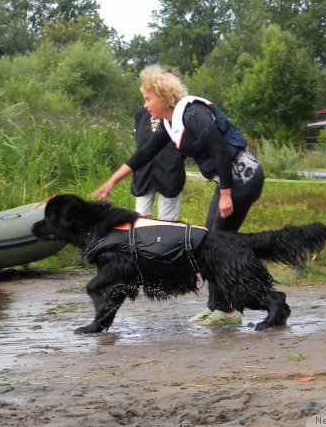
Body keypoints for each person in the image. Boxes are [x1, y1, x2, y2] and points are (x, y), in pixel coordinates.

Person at [92, 64, 265, 326]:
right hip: (227, 182)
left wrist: (227, 194)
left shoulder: (193, 113)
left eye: (148, 98)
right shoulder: (168, 123)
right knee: (208, 242)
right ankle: (215, 307)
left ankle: (227, 311)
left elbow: (219, 150)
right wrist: (112, 181)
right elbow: (145, 153)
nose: (146, 105)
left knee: (218, 245)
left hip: (244, 179)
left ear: (162, 96)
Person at [131, 103, 184, 221]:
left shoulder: (177, 113)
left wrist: (177, 158)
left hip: (170, 170)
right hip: (143, 172)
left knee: (167, 220)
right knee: (141, 217)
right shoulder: (140, 113)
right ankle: (144, 239)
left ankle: (166, 238)